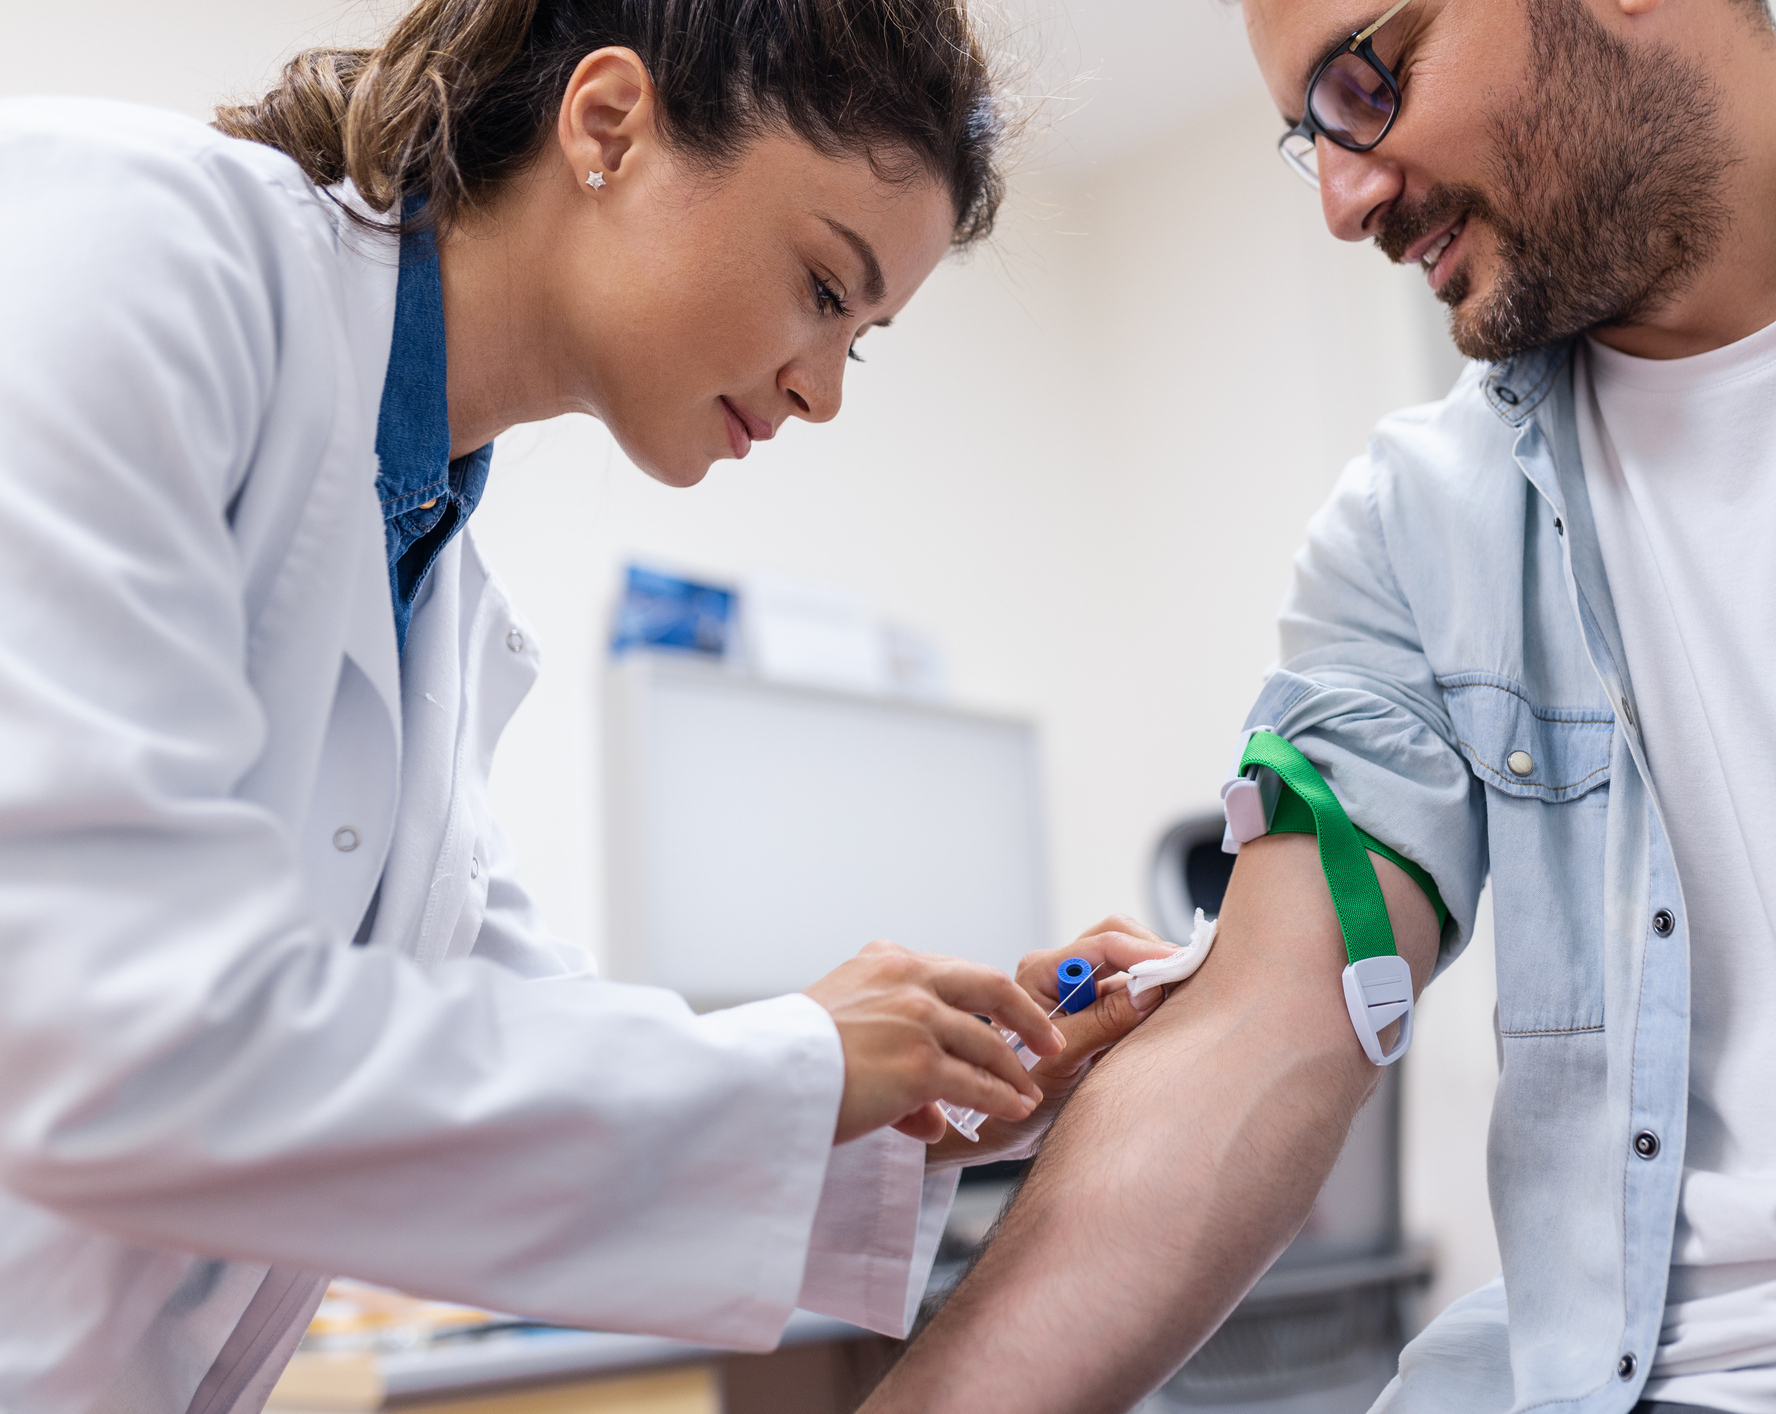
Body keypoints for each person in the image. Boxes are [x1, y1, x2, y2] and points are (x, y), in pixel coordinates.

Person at [862, 0, 1776, 1411]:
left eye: (1361, 83)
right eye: (1308, 137)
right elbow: (1259, 1027)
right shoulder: (1408, 535)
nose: (1342, 199)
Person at [0, 2, 1175, 1410]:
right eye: (820, 286)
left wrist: (929, 1094)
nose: (820, 394)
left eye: (858, 342)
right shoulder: (132, 243)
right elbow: (120, 1040)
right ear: (607, 124)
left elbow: (488, 1063)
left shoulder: (428, 574)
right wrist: (805, 1056)